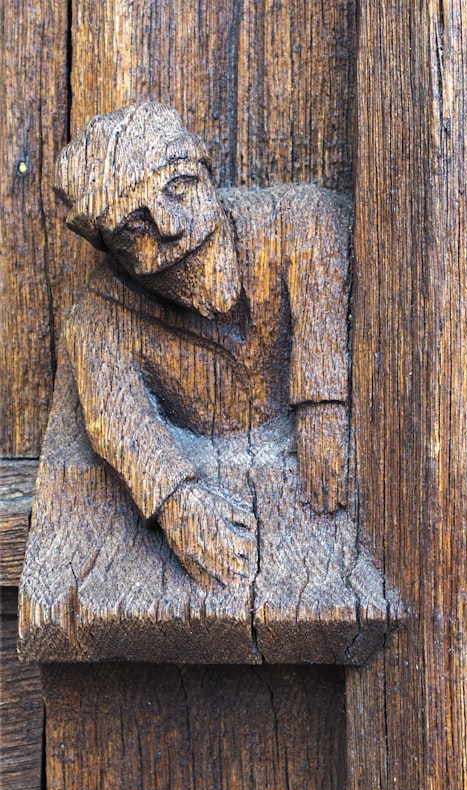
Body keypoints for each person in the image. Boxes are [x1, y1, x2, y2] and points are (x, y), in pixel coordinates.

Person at [53, 102, 352, 588]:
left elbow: (318, 234)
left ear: (207, 174)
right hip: (217, 522)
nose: (170, 226)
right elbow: (117, 420)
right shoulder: (99, 318)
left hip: (321, 509)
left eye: (180, 187)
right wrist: (177, 504)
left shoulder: (293, 223)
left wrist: (323, 402)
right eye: (135, 226)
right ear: (111, 252)